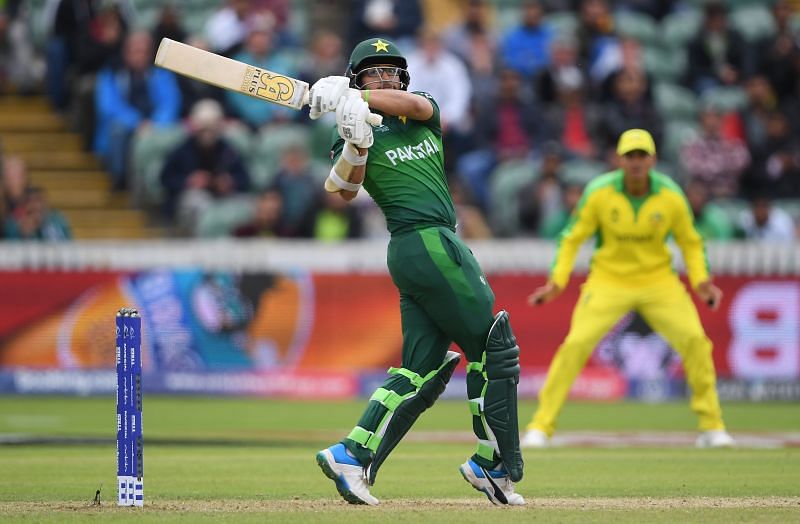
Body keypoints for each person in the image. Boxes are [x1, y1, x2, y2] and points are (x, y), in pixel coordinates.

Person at [307, 37, 525, 506]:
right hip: (420, 240)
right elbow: (342, 190)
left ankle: (352, 454)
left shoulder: (421, 107)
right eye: (372, 72)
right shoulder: (353, 125)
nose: (384, 77)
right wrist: (357, 143)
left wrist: (356, 97)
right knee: (494, 348)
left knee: (419, 370)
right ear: (356, 76)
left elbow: (409, 103)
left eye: (391, 71)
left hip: (428, 245)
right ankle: (492, 463)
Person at [521, 129, 735, 450]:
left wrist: (701, 281)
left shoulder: (670, 195)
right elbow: (572, 238)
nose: (636, 163)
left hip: (658, 280)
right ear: (619, 159)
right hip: (609, 279)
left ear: (653, 159)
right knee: (576, 344)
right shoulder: (599, 191)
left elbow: (691, 241)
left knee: (695, 341)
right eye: (630, 156)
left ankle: (712, 427)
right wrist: (557, 282)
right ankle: (541, 426)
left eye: (642, 156)